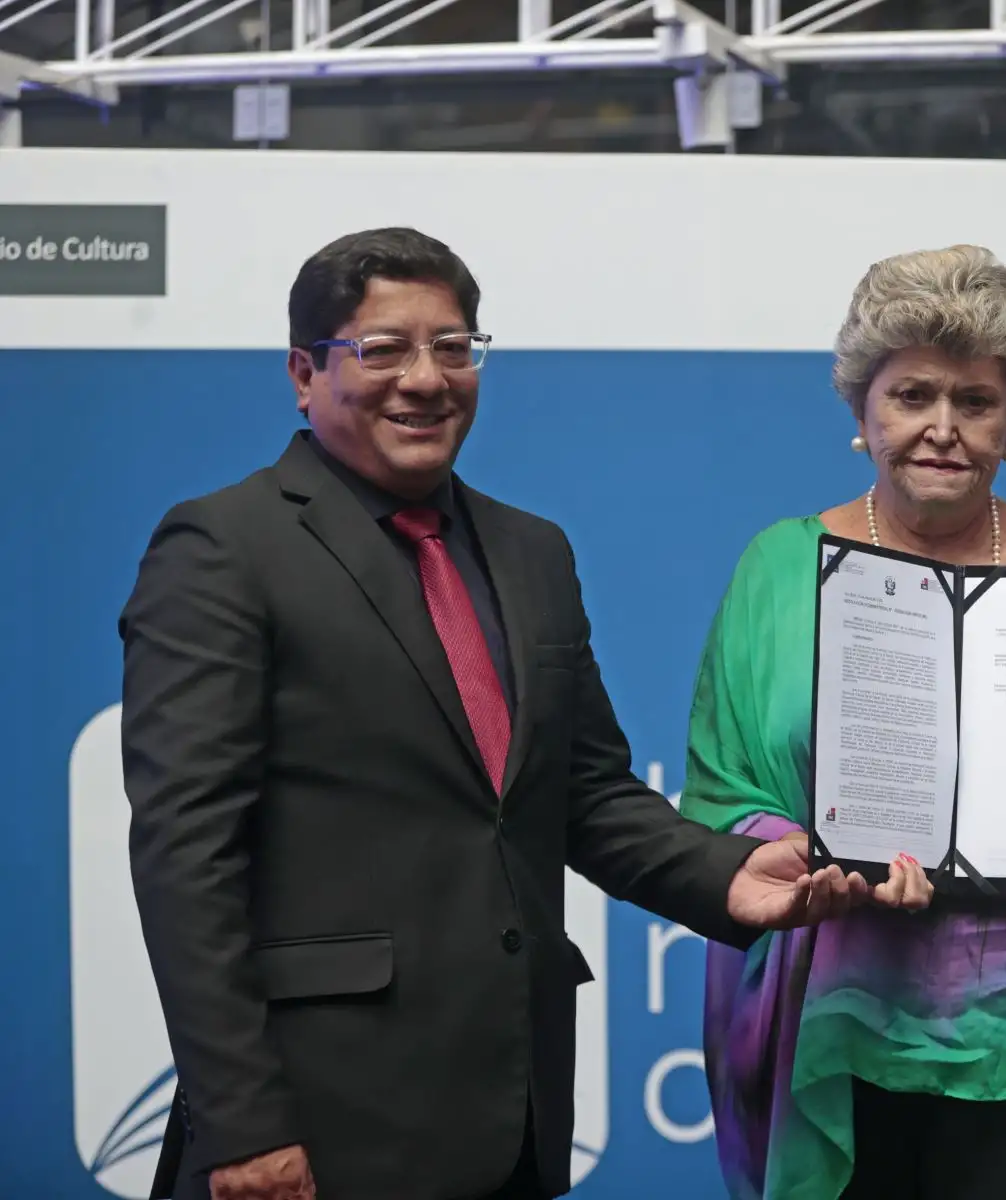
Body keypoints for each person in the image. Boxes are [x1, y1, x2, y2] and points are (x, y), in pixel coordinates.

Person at [119, 227, 924, 1200]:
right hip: (315, 1123)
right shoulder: (223, 549)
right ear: (304, 372)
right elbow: (186, 854)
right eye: (383, 349)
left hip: (515, 1117)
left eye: (455, 347)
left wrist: (731, 876)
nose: (426, 378)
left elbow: (584, 791)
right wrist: (244, 1126)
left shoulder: (530, 551)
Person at [677, 244, 1006, 1200]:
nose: (943, 430)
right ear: (860, 409)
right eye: (913, 395)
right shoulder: (778, 570)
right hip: (832, 1025)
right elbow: (722, 795)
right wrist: (820, 858)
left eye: (976, 402)